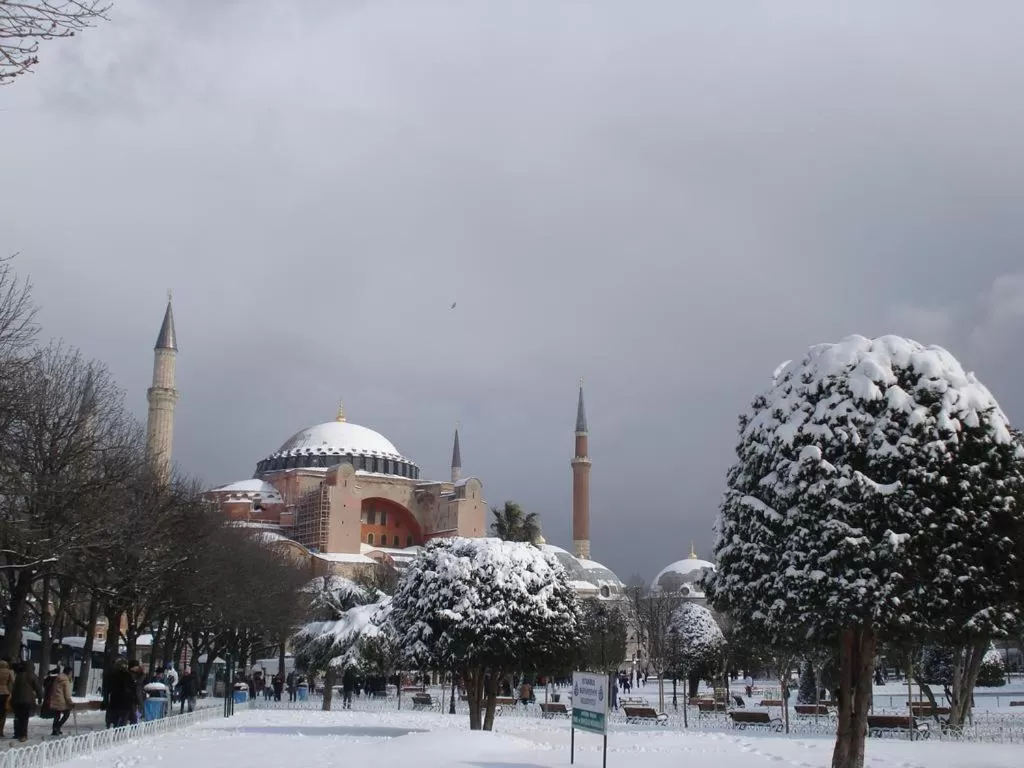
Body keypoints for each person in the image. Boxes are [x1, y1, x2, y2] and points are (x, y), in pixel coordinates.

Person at [11, 661, 41, 743]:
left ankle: (17, 733)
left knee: (18, 717)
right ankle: (23, 735)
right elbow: (38, 687)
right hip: (27, 700)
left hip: (16, 700)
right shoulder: (32, 675)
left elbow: (14, 688)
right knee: (24, 718)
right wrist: (40, 697)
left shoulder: (18, 675)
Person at [47, 666, 73, 736]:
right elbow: (67, 694)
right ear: (69, 673)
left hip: (55, 699)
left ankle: (55, 730)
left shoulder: (57, 678)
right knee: (67, 713)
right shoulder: (65, 681)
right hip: (62, 701)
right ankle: (57, 727)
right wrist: (70, 703)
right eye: (71, 673)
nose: (71, 675)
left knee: (57, 715)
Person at [0, 657, 14, 738]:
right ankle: (1, 731)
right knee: (3, 713)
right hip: (5, 693)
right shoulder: (9, 672)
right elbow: (12, 681)